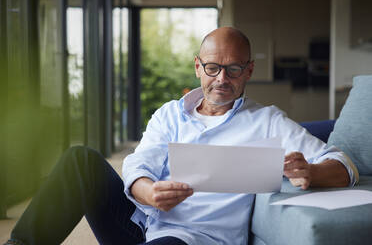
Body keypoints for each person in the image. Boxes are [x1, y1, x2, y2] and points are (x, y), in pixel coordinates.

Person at [5, 27, 358, 245]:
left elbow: (343, 164)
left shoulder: (267, 122)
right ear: (197, 66)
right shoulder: (170, 113)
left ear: (249, 70)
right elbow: (139, 162)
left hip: (196, 238)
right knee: (79, 160)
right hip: (139, 223)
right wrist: (148, 191)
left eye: (234, 69)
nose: (222, 79)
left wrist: (311, 172)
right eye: (213, 67)